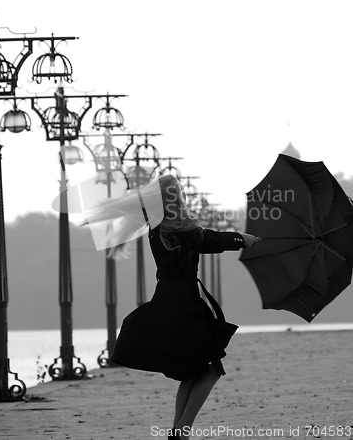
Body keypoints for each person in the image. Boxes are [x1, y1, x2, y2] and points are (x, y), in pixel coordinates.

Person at [84, 174, 259, 440]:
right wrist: (242, 239)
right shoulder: (186, 232)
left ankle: (179, 433)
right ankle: (182, 429)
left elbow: (207, 239)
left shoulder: (157, 229)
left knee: (193, 371)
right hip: (186, 304)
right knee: (211, 369)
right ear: (176, 198)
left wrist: (237, 239)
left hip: (165, 300)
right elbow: (211, 239)